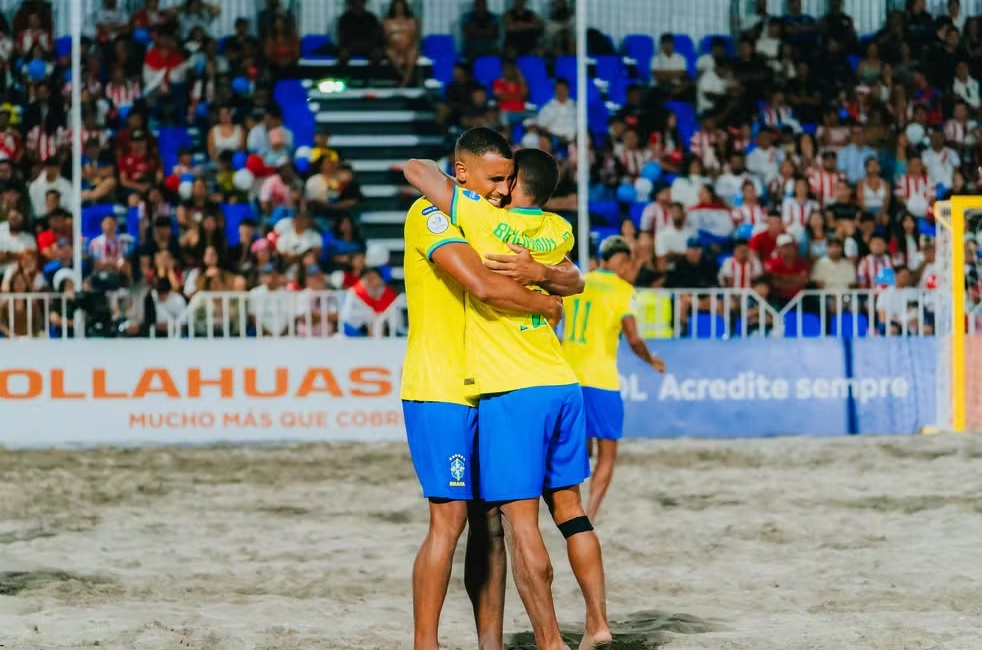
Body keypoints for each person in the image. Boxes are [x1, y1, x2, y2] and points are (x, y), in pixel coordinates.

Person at [405, 145, 609, 650]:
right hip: (443, 388)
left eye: (507, 180)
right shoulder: (431, 213)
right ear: (462, 172)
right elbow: (480, 284)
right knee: (449, 520)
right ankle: (425, 644)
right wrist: (547, 303)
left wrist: (550, 278)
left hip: (492, 390)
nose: (500, 189)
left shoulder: (495, 218)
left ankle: (489, 644)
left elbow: (575, 276)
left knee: (492, 525)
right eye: (494, 178)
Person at [562, 235, 665, 521]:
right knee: (608, 452)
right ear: (620, 263)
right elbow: (633, 337)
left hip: (568, 374)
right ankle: (589, 515)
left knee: (577, 447)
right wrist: (650, 359)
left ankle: (568, 509)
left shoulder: (578, 280)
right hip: (601, 379)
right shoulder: (622, 289)